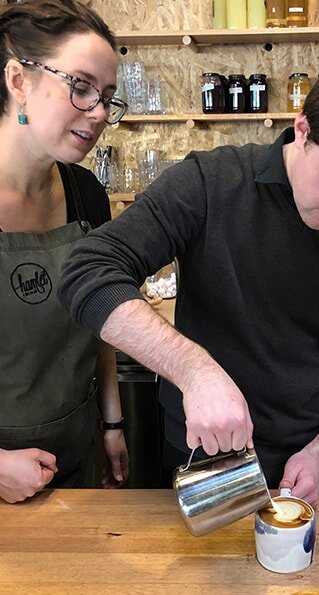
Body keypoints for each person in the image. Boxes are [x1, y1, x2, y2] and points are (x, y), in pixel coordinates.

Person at [58, 44, 319, 506]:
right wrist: (195, 371)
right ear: (303, 129)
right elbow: (88, 271)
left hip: (315, 463)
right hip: (204, 458)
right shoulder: (209, 183)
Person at [0, 0, 130, 504]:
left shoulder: (85, 193)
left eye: (107, 97)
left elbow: (99, 314)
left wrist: (112, 422)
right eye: (80, 87)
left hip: (73, 457)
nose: (98, 113)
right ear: (18, 81)